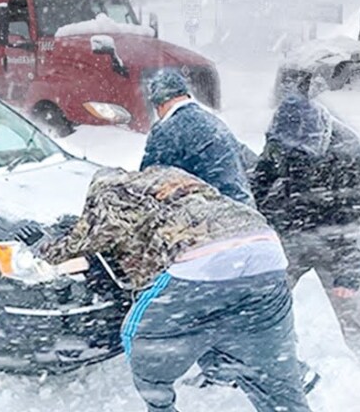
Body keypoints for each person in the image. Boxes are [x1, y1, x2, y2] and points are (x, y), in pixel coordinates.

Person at [33, 166, 311, 412]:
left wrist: (43, 247)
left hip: (205, 258)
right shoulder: (168, 178)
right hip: (264, 249)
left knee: (139, 336)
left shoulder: (109, 191)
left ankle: (160, 406)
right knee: (267, 371)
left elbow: (84, 239)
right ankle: (271, 380)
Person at [252, 93, 360, 363]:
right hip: (295, 222)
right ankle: (268, 348)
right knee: (267, 287)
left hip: (342, 232)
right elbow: (262, 181)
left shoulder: (349, 153)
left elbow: (353, 220)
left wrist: (348, 269)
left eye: (304, 152)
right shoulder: (282, 136)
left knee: (351, 296)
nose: (296, 156)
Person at [140, 71, 254, 206]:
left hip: (214, 214)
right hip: (245, 210)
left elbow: (149, 180)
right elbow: (248, 160)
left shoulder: (166, 130)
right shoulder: (213, 122)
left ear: (159, 104)